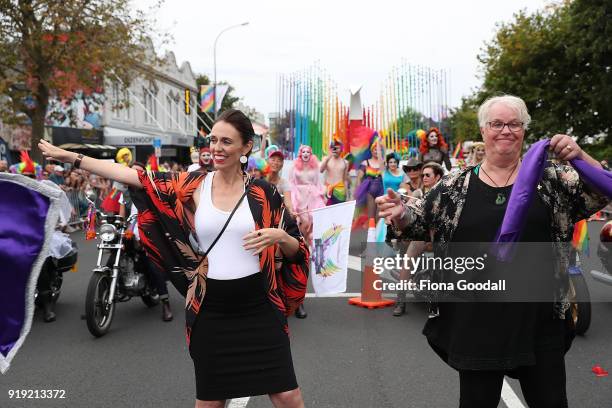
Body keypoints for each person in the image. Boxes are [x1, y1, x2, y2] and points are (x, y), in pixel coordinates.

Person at [39, 109, 310, 408]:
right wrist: (71, 158)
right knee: (209, 402)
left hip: (259, 308)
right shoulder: (194, 185)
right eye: (213, 140)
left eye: (226, 142)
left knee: (287, 396)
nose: (217, 148)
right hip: (212, 309)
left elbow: (296, 251)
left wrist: (280, 238)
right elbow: (134, 175)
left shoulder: (264, 192)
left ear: (246, 147)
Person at [377, 95, 610, 407]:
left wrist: (580, 155)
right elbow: (417, 222)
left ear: (524, 130)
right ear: (484, 130)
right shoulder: (454, 185)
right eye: (497, 123)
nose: (506, 130)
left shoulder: (551, 177)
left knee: (551, 401)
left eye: (514, 124)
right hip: (477, 321)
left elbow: (602, 189)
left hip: (539, 318)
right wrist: (401, 213)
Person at [119, 161, 173, 322]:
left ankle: (166, 303)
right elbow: (121, 216)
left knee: (152, 265)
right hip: (130, 235)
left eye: (139, 172)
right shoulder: (125, 194)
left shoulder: (151, 192)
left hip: (148, 235)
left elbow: (161, 215)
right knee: (111, 260)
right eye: (133, 172)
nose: (135, 175)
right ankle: (100, 297)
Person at [391, 162, 444, 316]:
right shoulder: (418, 193)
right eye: (423, 175)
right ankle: (401, 301)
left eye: (428, 175)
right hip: (423, 236)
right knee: (408, 260)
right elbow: (408, 209)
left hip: (441, 236)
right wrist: (406, 208)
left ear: (438, 177)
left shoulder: (446, 194)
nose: (424, 177)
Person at [265, 145, 294, 217]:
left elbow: (288, 203)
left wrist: (291, 211)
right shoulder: (260, 179)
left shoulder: (284, 183)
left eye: (279, 160)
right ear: (267, 161)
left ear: (282, 164)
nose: (276, 162)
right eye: (273, 159)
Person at [320, 138, 349, 205]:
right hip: (328, 189)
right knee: (327, 211)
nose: (334, 149)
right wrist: (328, 157)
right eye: (333, 148)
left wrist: (347, 194)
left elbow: (345, 179)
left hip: (340, 190)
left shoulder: (345, 162)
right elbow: (321, 170)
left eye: (336, 148)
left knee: (339, 211)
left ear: (341, 149)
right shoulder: (326, 159)